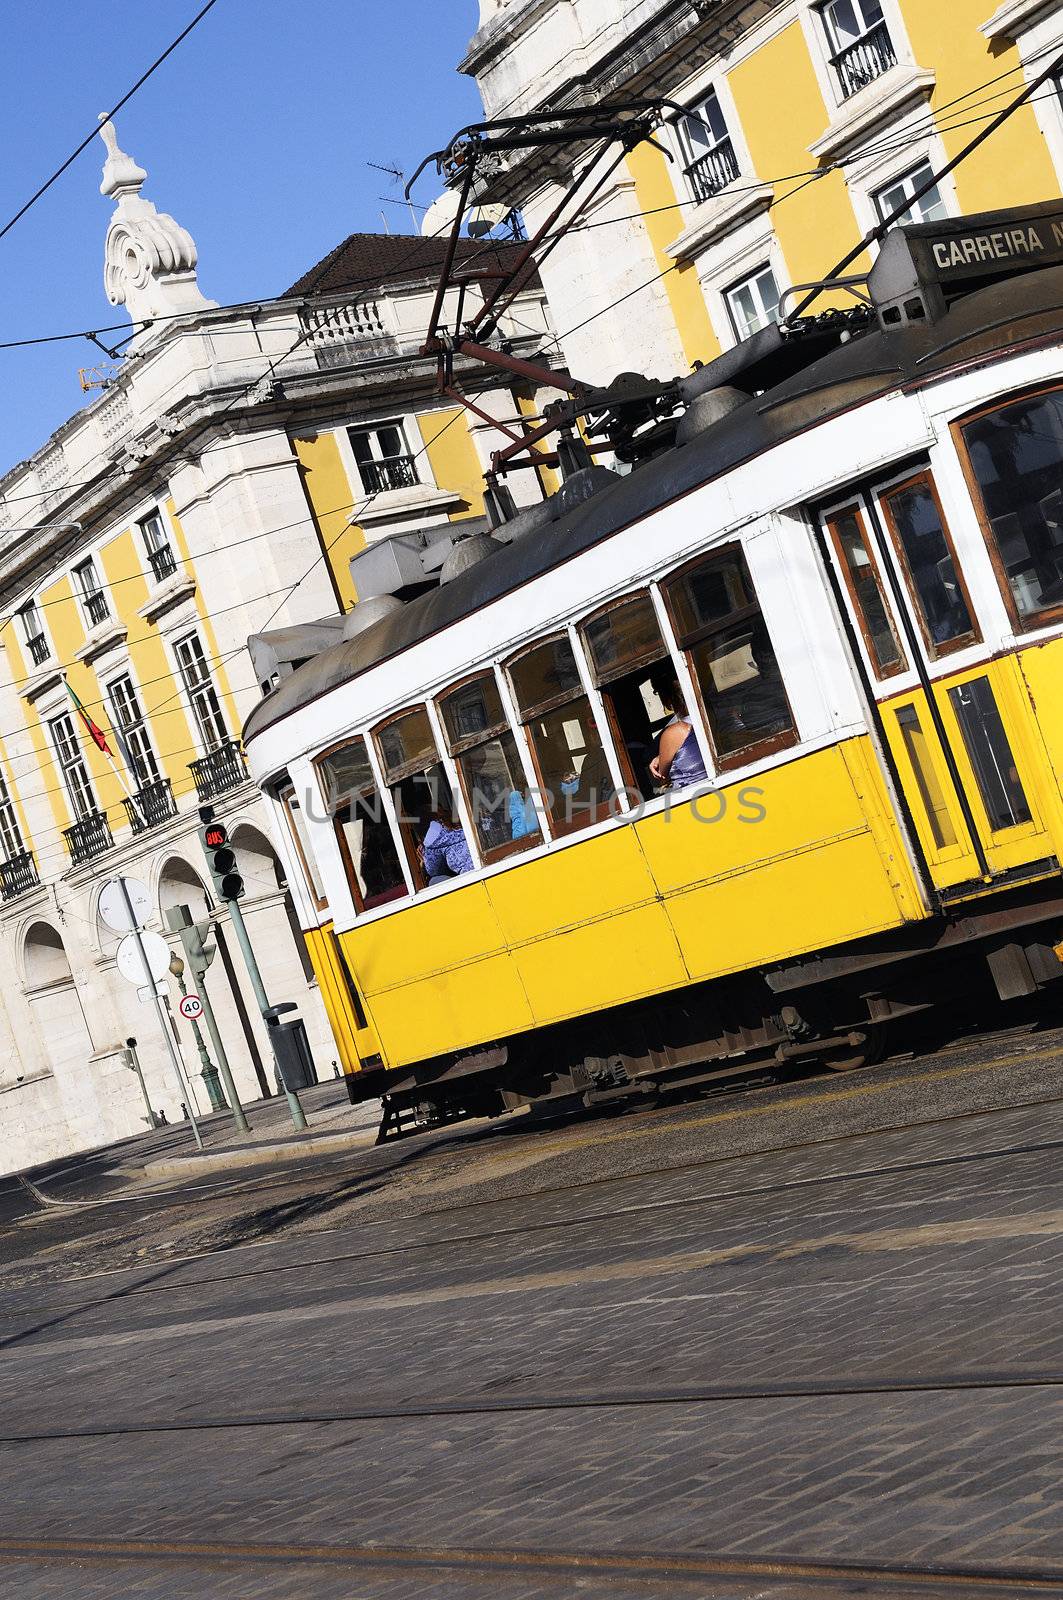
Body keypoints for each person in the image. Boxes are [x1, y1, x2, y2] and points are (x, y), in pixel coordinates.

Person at [649, 674, 708, 790]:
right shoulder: (710, 716)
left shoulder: (674, 732)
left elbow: (661, 776)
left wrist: (659, 759)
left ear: (665, 697)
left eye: (657, 692)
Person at [418, 806, 474, 884]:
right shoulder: (464, 819)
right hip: (490, 864)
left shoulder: (431, 840)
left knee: (433, 881)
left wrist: (423, 862)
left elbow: (434, 871)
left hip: (472, 877)